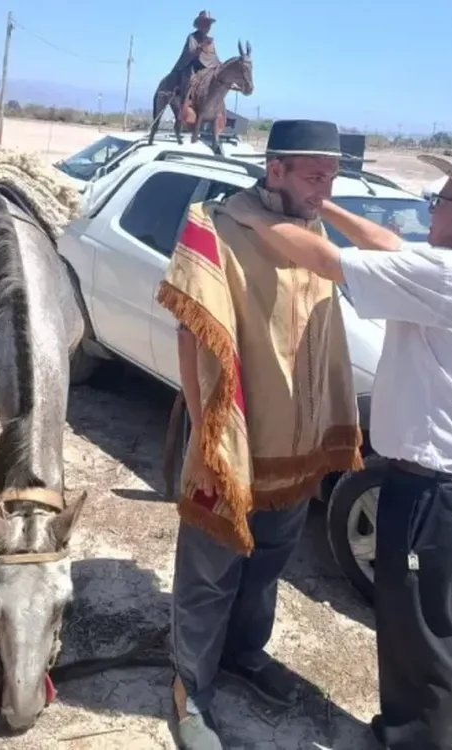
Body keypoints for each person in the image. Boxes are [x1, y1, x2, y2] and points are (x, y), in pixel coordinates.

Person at [220, 145, 452, 750]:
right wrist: (329, 205)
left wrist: (256, 217)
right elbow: (389, 248)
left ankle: (412, 741)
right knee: (442, 626)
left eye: (441, 201)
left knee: (414, 628)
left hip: (434, 494)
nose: (431, 209)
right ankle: (434, 733)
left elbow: (328, 263)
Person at [155, 119, 364, 750]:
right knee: (211, 567)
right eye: (313, 176)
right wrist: (204, 430)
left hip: (294, 444)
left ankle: (244, 652)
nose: (324, 190)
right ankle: (190, 688)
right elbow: (192, 334)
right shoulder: (213, 226)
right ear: (274, 169)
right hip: (234, 440)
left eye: (331, 176)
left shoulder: (313, 229)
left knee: (268, 561)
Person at [168, 10, 221, 111]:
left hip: (207, 69)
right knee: (190, 79)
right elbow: (190, 53)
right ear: (200, 25)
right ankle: (185, 102)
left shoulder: (210, 41)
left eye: (209, 24)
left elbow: (214, 58)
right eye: (205, 23)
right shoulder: (192, 37)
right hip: (191, 66)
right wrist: (200, 48)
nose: (207, 26)